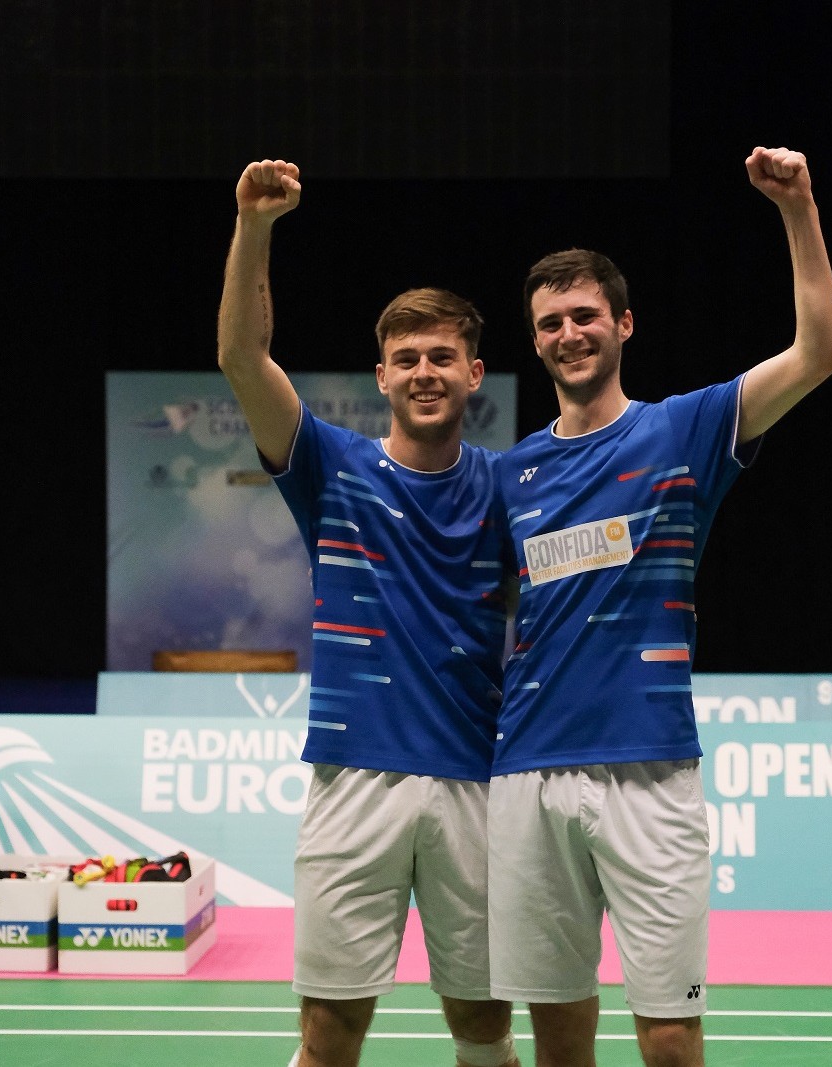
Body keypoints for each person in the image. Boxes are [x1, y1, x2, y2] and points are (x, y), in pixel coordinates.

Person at [488, 146, 832, 1067]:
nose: (568, 331)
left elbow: (819, 353)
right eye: (550, 321)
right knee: (558, 1032)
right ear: (534, 341)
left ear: (623, 324)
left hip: (650, 774)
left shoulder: (683, 428)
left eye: (584, 315)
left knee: (670, 1037)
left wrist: (796, 208)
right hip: (527, 772)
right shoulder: (507, 474)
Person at [218, 159, 519, 1067]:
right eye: (406, 359)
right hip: (354, 781)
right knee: (329, 1032)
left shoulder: (511, 489)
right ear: (380, 375)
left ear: (474, 374)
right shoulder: (330, 467)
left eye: (441, 357)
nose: (424, 372)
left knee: (484, 1027)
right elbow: (241, 357)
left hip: (479, 780)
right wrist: (254, 227)